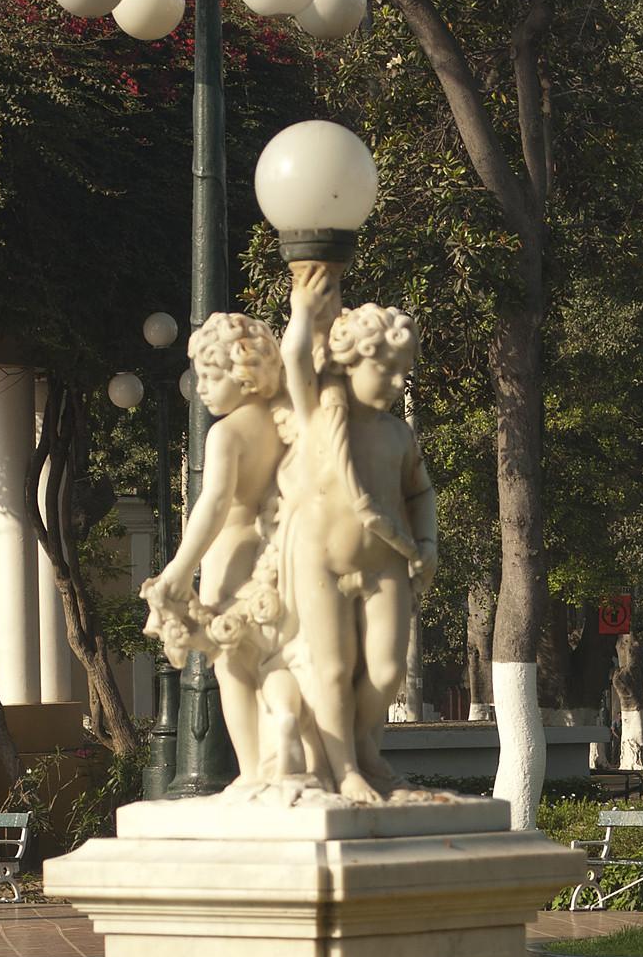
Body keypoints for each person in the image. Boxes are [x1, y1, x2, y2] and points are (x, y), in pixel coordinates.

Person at [280, 266, 437, 800]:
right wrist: (303, 310)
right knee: (333, 667)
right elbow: (296, 360)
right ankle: (345, 767)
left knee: (388, 670)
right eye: (386, 369)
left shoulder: (398, 434)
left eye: (403, 372)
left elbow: (420, 495)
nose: (397, 383)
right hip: (319, 559)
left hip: (386, 560)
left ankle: (362, 741)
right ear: (352, 362)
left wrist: (430, 545)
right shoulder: (318, 418)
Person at [140, 312, 292, 790]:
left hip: (232, 555)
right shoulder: (284, 423)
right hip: (275, 555)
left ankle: (254, 772)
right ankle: (281, 760)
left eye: (211, 375)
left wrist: (178, 571)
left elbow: (213, 504)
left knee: (231, 666)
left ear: (243, 373)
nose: (201, 387)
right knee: (273, 662)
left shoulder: (226, 433)